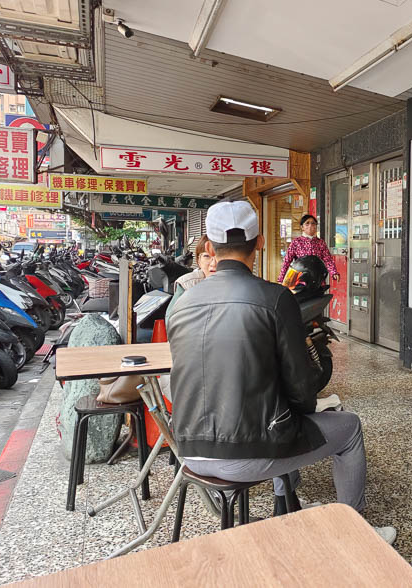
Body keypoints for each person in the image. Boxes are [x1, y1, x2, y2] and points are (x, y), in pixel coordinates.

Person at [167, 201, 395, 543]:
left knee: (280, 415)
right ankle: (358, 537)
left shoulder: (182, 303)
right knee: (347, 428)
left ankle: (286, 503)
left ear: (210, 248)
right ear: (259, 242)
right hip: (245, 455)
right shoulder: (274, 299)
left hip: (187, 449)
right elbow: (301, 389)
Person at [164, 234, 216, 328]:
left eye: (219, 256)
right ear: (198, 260)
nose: (213, 263)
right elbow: (172, 322)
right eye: (207, 256)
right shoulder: (187, 284)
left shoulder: (237, 284)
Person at [278, 214, 339, 283]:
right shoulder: (296, 242)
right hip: (300, 279)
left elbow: (328, 259)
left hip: (317, 278)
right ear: (302, 227)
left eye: (313, 223)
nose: (310, 226)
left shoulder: (320, 243)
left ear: (316, 227)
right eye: (307, 223)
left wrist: (334, 272)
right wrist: (281, 278)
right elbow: (287, 261)